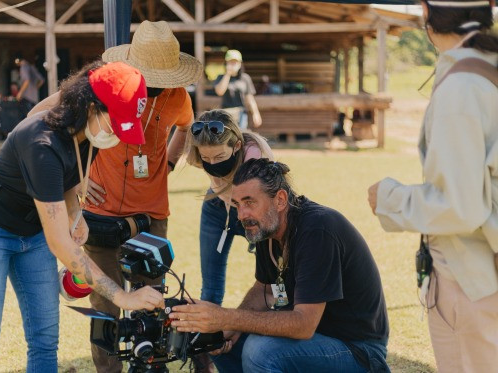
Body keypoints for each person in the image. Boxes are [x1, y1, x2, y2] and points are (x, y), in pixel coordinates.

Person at [0, 61, 164, 373]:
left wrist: (76, 213)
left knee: (45, 340)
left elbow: (72, 175)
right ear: (90, 107)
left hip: (32, 233)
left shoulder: (89, 134)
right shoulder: (42, 142)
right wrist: (121, 296)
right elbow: (61, 243)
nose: (118, 133)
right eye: (115, 121)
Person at [30, 20, 202, 373]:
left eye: (160, 79)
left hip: (151, 218)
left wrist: (167, 163)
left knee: (151, 302)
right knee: (105, 308)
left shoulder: (177, 98)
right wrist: (73, 180)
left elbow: (186, 126)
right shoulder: (103, 87)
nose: (153, 86)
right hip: (99, 216)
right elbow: (39, 118)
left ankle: (152, 365)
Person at [367, 0, 498, 371]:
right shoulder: (487, 71)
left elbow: (460, 207)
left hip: (472, 278)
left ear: (427, 12)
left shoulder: (463, 87)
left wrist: (389, 198)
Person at [171, 159, 390, 373]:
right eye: (237, 205)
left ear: (280, 200)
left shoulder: (317, 230)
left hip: (359, 351)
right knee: (220, 341)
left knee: (260, 350)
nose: (241, 215)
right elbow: (264, 290)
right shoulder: (268, 229)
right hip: (317, 341)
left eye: (249, 202)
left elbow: (304, 324)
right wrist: (227, 328)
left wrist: (227, 317)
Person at [184, 109, 273, 307]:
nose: (212, 163)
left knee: (272, 282)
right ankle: (210, 334)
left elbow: (252, 196)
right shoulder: (200, 151)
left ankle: (261, 330)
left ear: (237, 146)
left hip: (256, 212)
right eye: (206, 159)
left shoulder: (254, 156)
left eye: (219, 156)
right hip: (217, 208)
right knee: (210, 289)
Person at [214, 49, 262, 129]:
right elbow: (220, 92)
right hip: (225, 114)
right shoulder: (221, 77)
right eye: (230, 62)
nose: (232, 65)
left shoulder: (245, 78)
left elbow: (250, 98)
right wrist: (228, 74)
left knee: (241, 136)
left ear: (240, 64)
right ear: (226, 63)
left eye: (235, 62)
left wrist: (256, 114)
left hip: (241, 113)